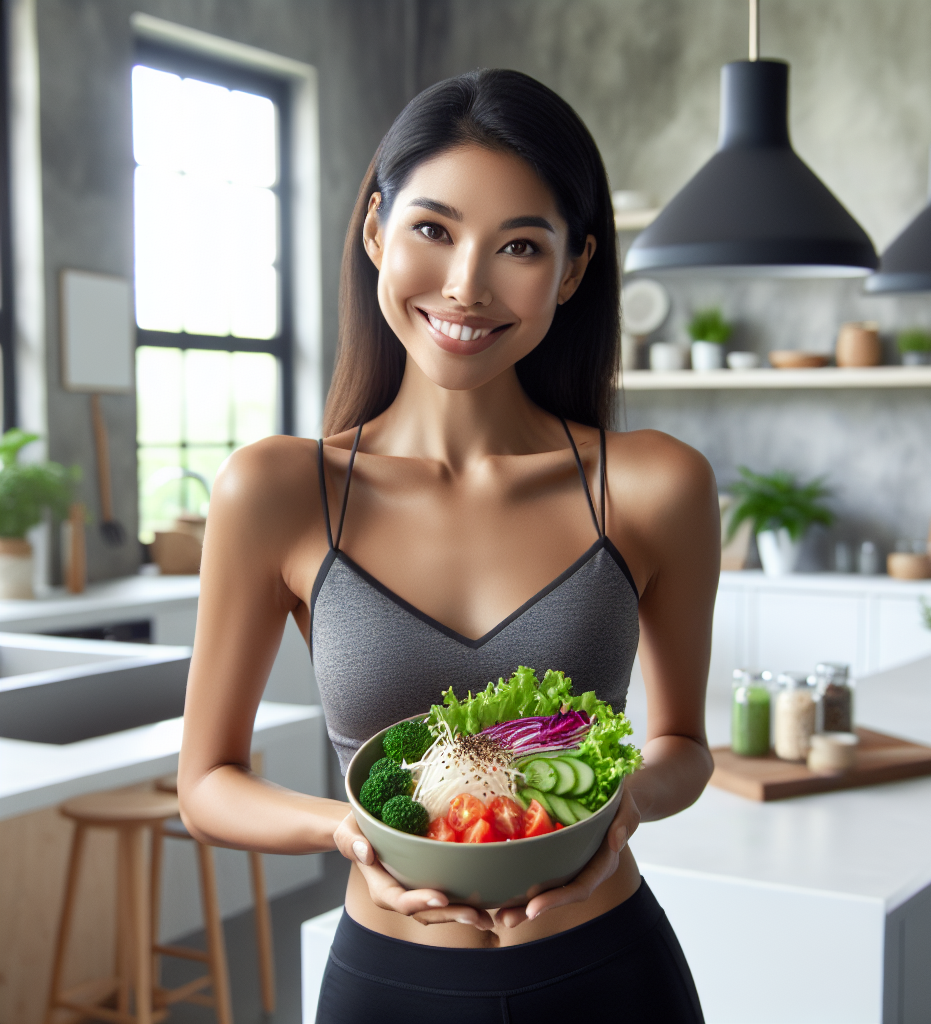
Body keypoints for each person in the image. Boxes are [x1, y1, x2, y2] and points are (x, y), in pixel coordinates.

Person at [178, 68, 718, 1022]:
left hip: (606, 972)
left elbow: (682, 746)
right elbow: (207, 784)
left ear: (575, 268)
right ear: (376, 228)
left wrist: (621, 802)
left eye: (519, 244)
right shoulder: (279, 492)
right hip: (390, 985)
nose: (466, 285)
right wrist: (349, 831)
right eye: (433, 229)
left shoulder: (652, 486)